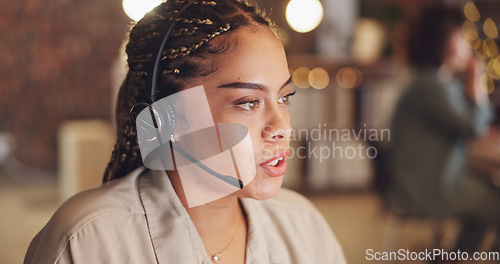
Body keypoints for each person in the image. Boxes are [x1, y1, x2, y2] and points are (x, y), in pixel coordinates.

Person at [24, 0, 346, 263]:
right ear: (169, 117)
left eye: (283, 97)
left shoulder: (304, 228)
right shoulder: (87, 242)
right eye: (248, 102)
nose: (282, 128)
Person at [387, 6, 499, 254]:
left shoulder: (427, 81)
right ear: (444, 41)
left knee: (488, 197)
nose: (467, 44)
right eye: (462, 35)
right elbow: (475, 128)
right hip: (430, 187)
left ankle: (450, 259)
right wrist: (475, 80)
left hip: (428, 179)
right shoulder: (430, 86)